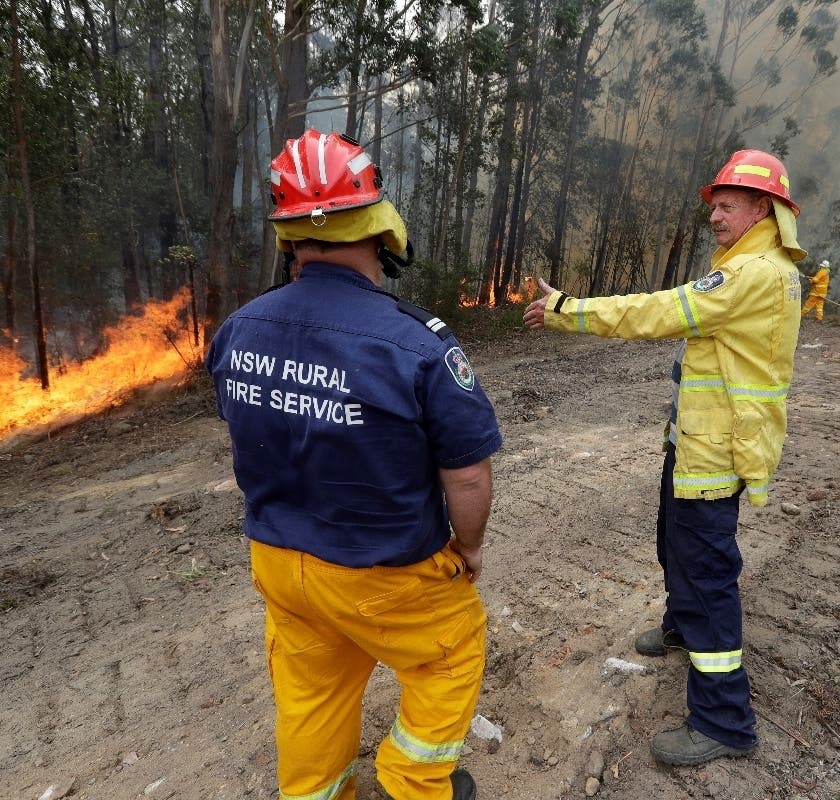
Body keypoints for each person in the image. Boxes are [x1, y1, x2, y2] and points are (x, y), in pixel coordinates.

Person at [205, 129, 501, 800]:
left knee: (311, 690)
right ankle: (413, 781)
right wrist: (470, 546)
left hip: (281, 563)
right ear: (378, 227)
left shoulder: (240, 328)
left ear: (287, 237)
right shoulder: (416, 343)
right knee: (449, 654)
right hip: (384, 569)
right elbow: (468, 473)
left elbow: (259, 424)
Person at [523, 149, 804, 767]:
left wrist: (570, 310)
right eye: (715, 205)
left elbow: (661, 311)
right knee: (675, 545)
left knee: (706, 575)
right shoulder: (759, 267)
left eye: (728, 205)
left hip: (714, 452)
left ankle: (725, 722)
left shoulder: (752, 273)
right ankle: (681, 626)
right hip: (699, 444)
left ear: (764, 209)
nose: (716, 216)